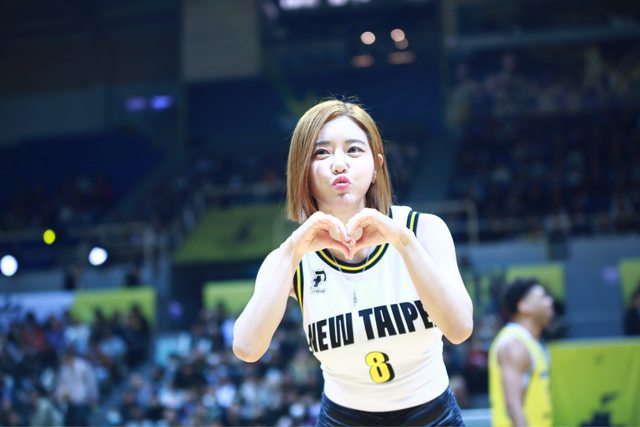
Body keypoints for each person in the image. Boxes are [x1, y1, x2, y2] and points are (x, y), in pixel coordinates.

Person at [233, 99, 473, 426]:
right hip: (343, 418)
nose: (339, 164)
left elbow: (459, 329)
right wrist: (290, 253)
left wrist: (403, 242)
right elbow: (247, 348)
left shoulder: (423, 230)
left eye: (354, 150)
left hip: (431, 415)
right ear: (302, 170)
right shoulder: (289, 257)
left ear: (376, 166)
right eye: (321, 153)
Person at [488, 278, 554, 427]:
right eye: (543, 297)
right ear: (524, 306)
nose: (549, 302)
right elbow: (513, 406)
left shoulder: (530, 342)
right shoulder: (514, 344)